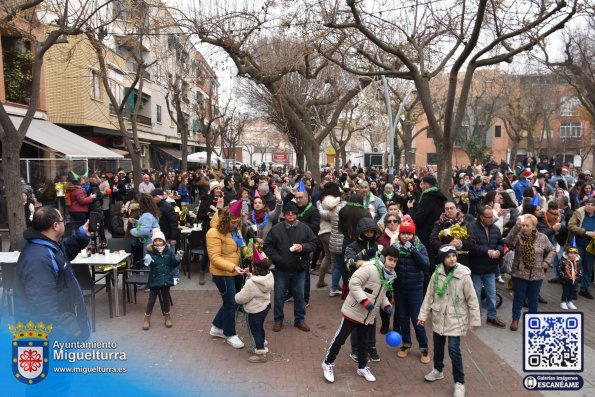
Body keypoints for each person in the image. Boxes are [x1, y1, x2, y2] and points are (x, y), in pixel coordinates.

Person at [14, 206, 93, 341]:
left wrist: (81, 236)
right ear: (55, 225)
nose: (64, 224)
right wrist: (60, 338)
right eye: (62, 221)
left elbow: (61, 254)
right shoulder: (38, 258)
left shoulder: (45, 246)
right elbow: (43, 306)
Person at [321, 246, 397, 384]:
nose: (392, 263)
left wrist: (386, 305)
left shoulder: (389, 275)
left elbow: (381, 294)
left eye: (395, 261)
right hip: (353, 311)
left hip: (368, 316)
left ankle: (362, 367)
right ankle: (328, 363)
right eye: (390, 259)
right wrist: (364, 300)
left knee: (364, 343)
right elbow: (353, 284)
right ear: (382, 258)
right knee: (340, 338)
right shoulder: (370, 268)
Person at [418, 245, 481, 397]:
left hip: (456, 318)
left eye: (454, 255)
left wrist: (475, 319)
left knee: (454, 350)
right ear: (442, 259)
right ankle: (438, 370)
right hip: (439, 317)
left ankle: (459, 382)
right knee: (438, 347)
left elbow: (472, 299)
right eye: (448, 256)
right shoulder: (436, 273)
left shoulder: (463, 274)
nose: (452, 259)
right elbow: (429, 296)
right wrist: (422, 315)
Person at [263, 201, 317, 333]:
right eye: (288, 213)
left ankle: (299, 320)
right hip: (282, 269)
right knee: (279, 296)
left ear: (297, 215)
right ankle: (278, 320)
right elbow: (267, 246)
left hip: (299, 269)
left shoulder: (304, 228)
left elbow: (313, 243)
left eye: (293, 213)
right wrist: (278, 259)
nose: (291, 215)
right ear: (284, 214)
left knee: (299, 295)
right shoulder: (276, 228)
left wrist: (303, 247)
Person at [504, 214, 556, 331]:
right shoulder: (518, 236)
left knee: (533, 298)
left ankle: (532, 320)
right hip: (519, 273)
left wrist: (547, 262)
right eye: (523, 225)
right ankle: (515, 319)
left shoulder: (542, 237)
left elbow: (552, 250)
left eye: (527, 225)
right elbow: (508, 241)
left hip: (537, 274)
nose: (524, 228)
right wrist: (516, 227)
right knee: (519, 297)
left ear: (533, 226)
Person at [206, 204, 248, 349]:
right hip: (222, 274)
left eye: (238, 222)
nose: (236, 224)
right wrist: (233, 267)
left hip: (236, 271)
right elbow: (214, 258)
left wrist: (253, 254)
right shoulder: (213, 232)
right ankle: (230, 334)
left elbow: (241, 248)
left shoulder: (235, 230)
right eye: (233, 222)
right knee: (231, 303)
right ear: (225, 220)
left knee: (232, 301)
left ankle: (217, 327)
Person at [344, 217, 383, 362]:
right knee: (356, 319)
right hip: (357, 287)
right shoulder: (352, 246)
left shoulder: (378, 246)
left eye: (371, 231)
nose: (368, 234)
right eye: (366, 231)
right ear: (361, 232)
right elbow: (348, 264)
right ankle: (355, 348)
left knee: (372, 318)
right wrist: (364, 255)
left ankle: (371, 346)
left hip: (373, 287)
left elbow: (382, 265)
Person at [467, 206, 506, 329]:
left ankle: (492, 317)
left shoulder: (495, 228)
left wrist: (499, 251)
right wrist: (487, 251)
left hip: (490, 268)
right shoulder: (471, 227)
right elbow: (471, 246)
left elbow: (500, 242)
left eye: (492, 216)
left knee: (492, 294)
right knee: (476, 295)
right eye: (489, 217)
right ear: (481, 217)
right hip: (476, 268)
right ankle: (476, 318)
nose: (492, 219)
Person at [234, 247, 274, 363]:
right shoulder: (269, 276)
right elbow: (258, 281)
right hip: (265, 307)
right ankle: (262, 344)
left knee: (255, 331)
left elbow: (241, 298)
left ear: (255, 267)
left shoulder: (251, 284)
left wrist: (235, 297)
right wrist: (249, 275)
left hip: (255, 311)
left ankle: (260, 353)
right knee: (260, 328)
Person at [141, 229, 182, 330]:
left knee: (165, 299)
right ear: (153, 242)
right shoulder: (150, 253)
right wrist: (144, 261)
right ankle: (147, 318)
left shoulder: (168, 252)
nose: (158, 242)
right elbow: (143, 264)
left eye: (160, 240)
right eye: (156, 240)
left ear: (164, 241)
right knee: (151, 300)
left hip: (165, 279)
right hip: (155, 279)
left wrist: (178, 258)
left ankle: (167, 317)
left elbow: (173, 264)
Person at [566, 197, 595, 299]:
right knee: (576, 267)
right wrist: (585, 232)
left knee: (588, 268)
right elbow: (571, 226)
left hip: (591, 247)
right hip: (578, 244)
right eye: (587, 204)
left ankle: (584, 289)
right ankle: (573, 290)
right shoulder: (578, 213)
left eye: (591, 205)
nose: (589, 207)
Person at [151, 188, 181, 284]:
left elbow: (174, 223)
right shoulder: (155, 206)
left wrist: (173, 238)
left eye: (154, 197)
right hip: (160, 237)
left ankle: (175, 276)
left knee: (171, 257)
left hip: (168, 237)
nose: (152, 198)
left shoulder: (167, 206)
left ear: (158, 196)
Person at [130, 193, 161, 262]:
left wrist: (132, 231)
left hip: (149, 242)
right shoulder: (152, 213)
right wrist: (136, 222)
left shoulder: (147, 215)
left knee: (148, 263)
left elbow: (144, 231)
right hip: (153, 241)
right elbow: (148, 225)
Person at [558, 240, 581, 310]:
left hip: (574, 280)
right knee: (565, 291)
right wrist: (564, 277)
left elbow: (579, 270)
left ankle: (570, 301)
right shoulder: (563, 260)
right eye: (570, 253)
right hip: (566, 280)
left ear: (577, 254)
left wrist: (578, 277)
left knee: (572, 291)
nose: (572, 254)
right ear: (567, 253)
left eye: (574, 253)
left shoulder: (578, 261)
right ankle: (563, 301)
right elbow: (559, 269)